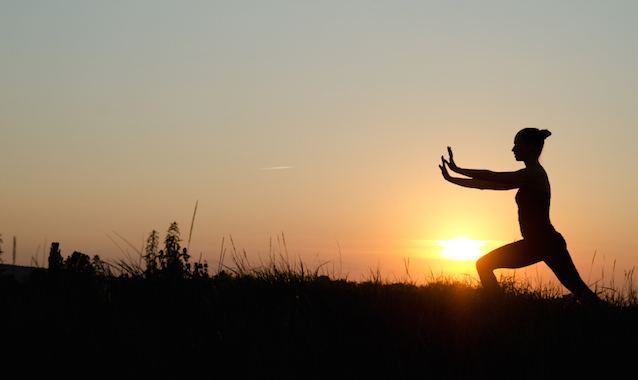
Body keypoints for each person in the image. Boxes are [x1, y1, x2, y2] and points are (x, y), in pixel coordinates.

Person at [439, 128, 598, 301]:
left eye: (517, 145)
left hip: (545, 242)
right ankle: (498, 308)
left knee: (580, 292)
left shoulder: (534, 174)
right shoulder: (526, 177)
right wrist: (452, 178)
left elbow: (493, 176)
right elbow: (486, 183)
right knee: (582, 293)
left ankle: (497, 307)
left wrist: (458, 169)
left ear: (530, 147)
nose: (513, 149)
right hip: (537, 243)